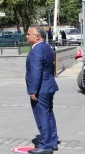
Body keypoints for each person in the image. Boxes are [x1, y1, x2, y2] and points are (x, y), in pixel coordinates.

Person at [25, 26, 59, 154]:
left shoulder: (37, 50)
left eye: (29, 34)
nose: (27, 36)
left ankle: (45, 145)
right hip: (49, 86)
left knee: (42, 116)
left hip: (41, 89)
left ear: (37, 37)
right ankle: (52, 141)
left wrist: (33, 89)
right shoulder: (46, 47)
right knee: (49, 114)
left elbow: (36, 71)